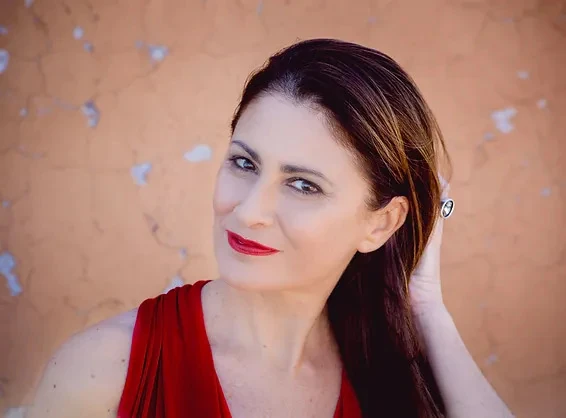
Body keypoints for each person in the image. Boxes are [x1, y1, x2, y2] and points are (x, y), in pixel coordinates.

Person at [26, 38, 514, 418]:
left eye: (303, 185)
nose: (248, 211)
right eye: (244, 163)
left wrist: (426, 305)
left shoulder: (393, 377)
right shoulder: (103, 371)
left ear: (381, 223)